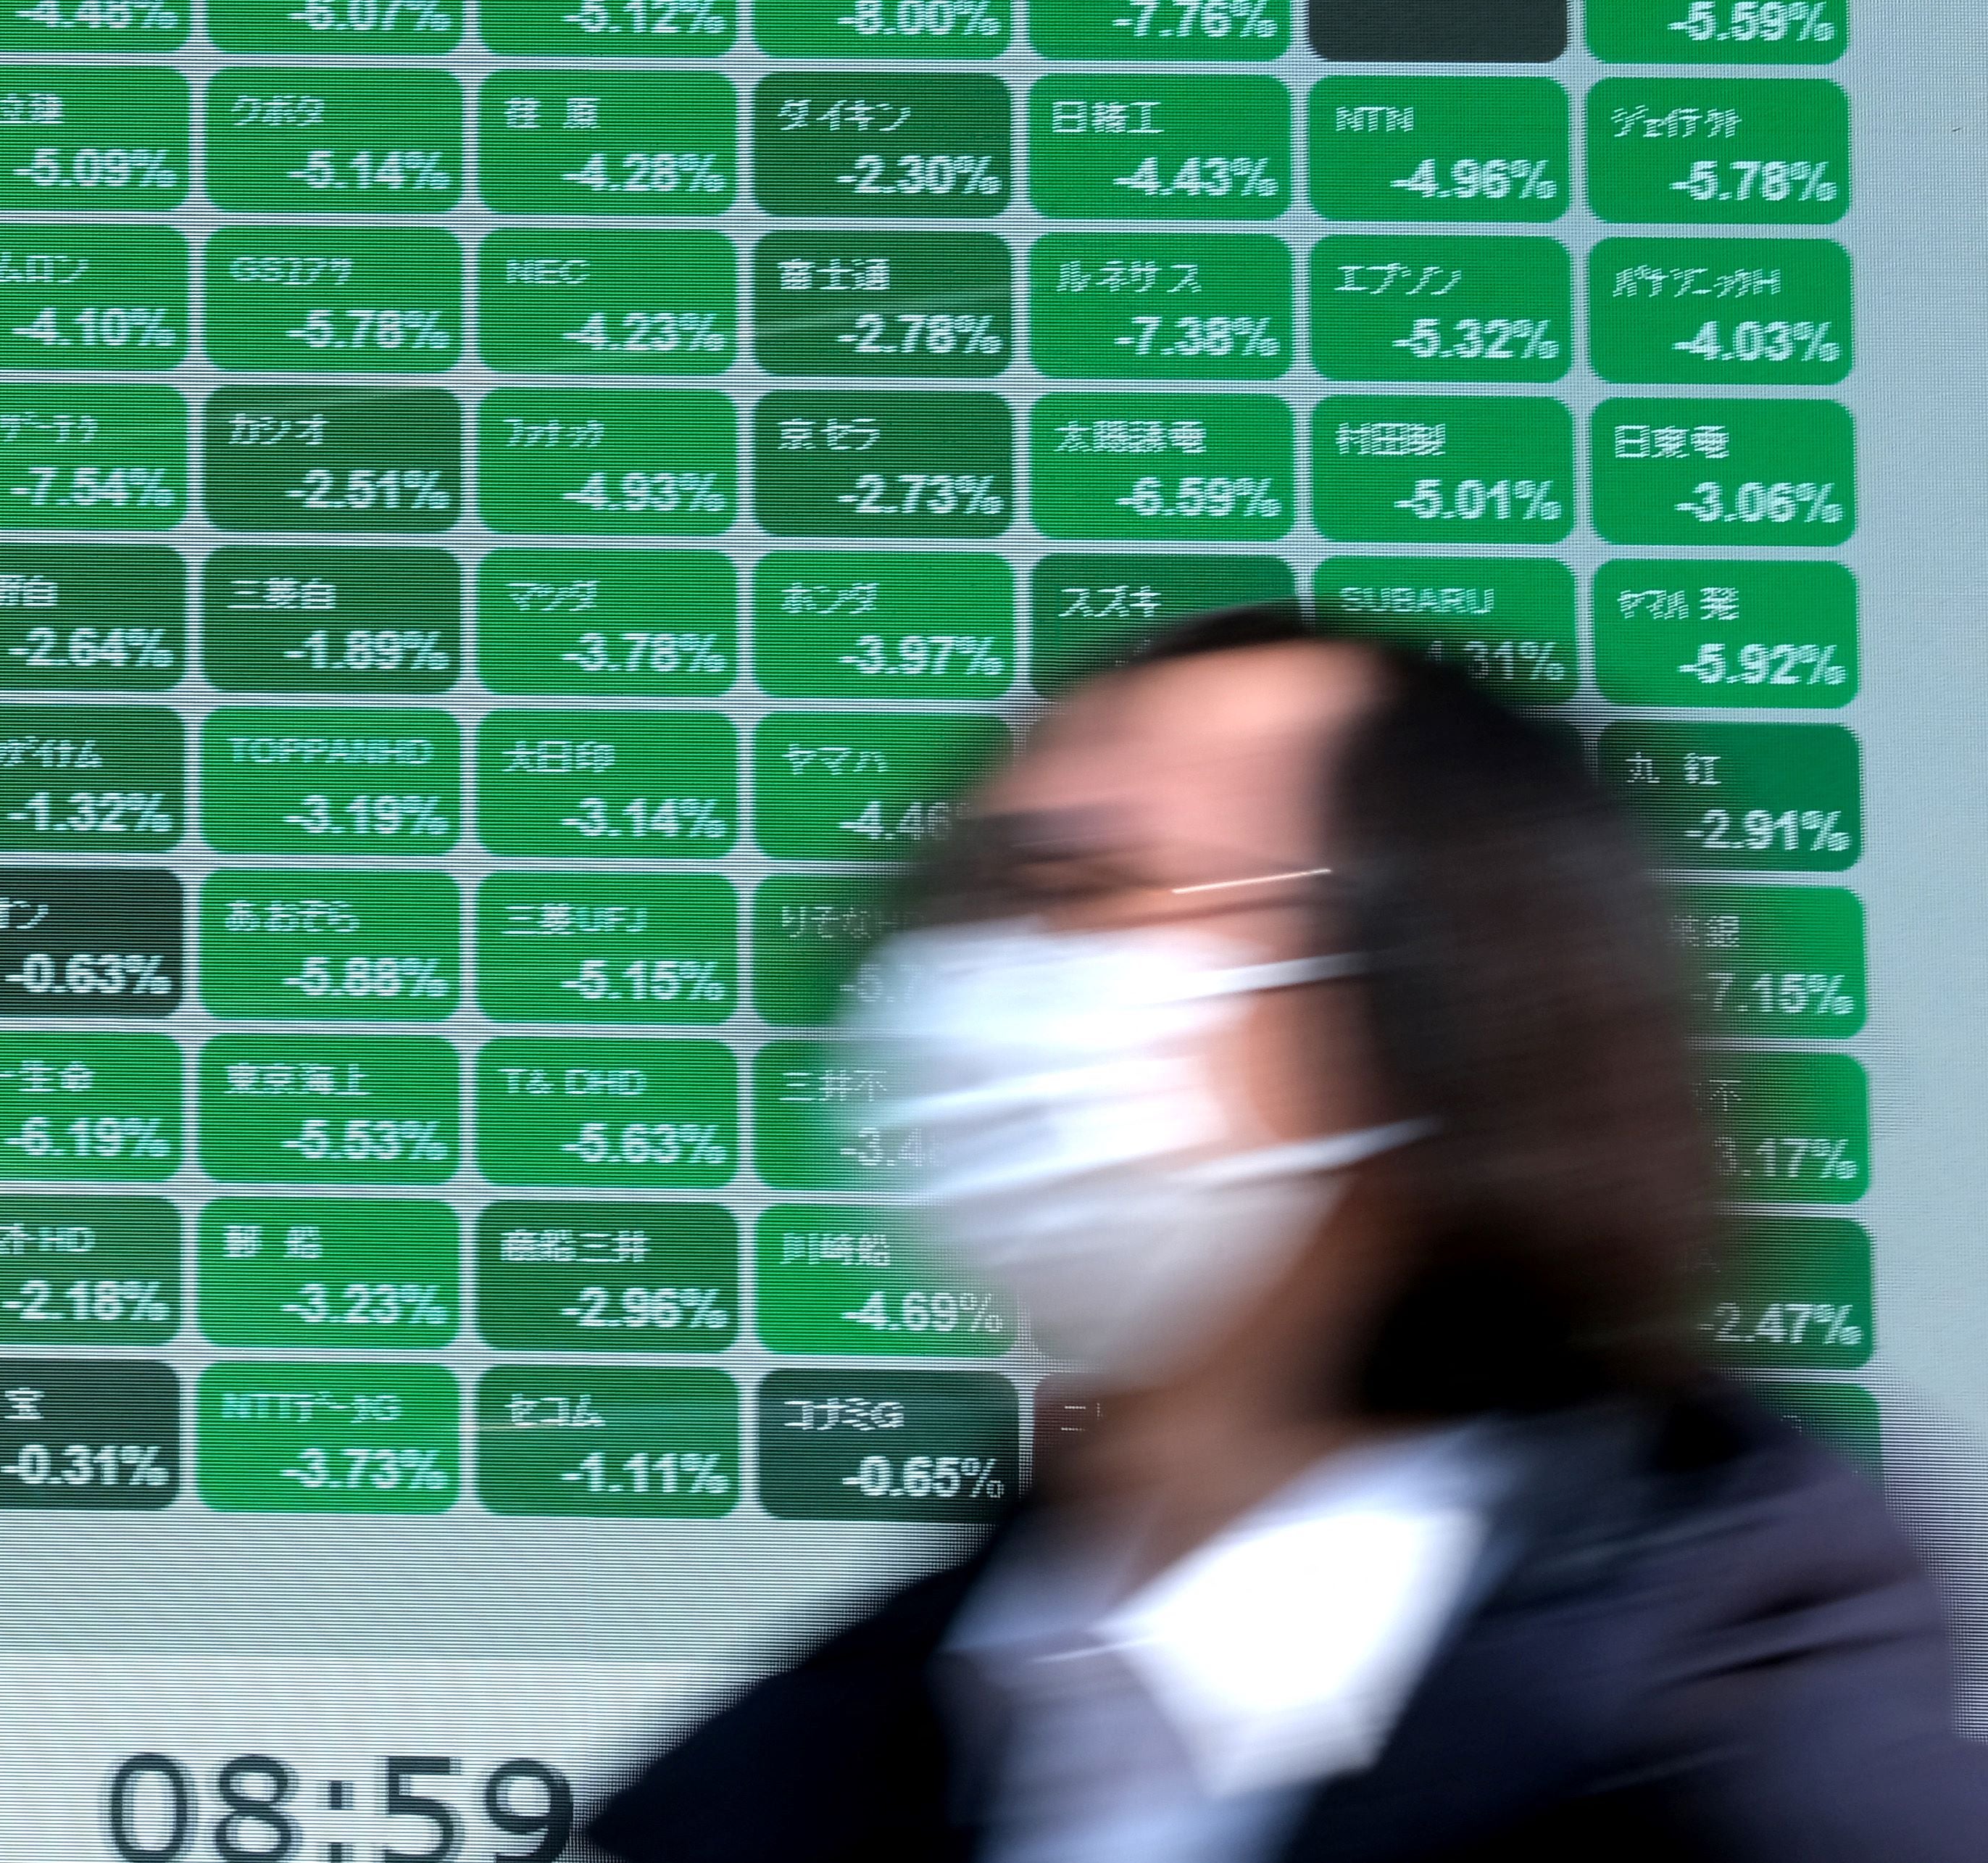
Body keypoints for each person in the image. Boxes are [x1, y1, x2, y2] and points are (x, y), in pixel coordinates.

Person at [591, 607, 1988, 1862]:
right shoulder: (798, 1775)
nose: (961, 984)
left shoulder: (1756, 1782)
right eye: (961, 900)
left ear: (1437, 996)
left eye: (1087, 886)